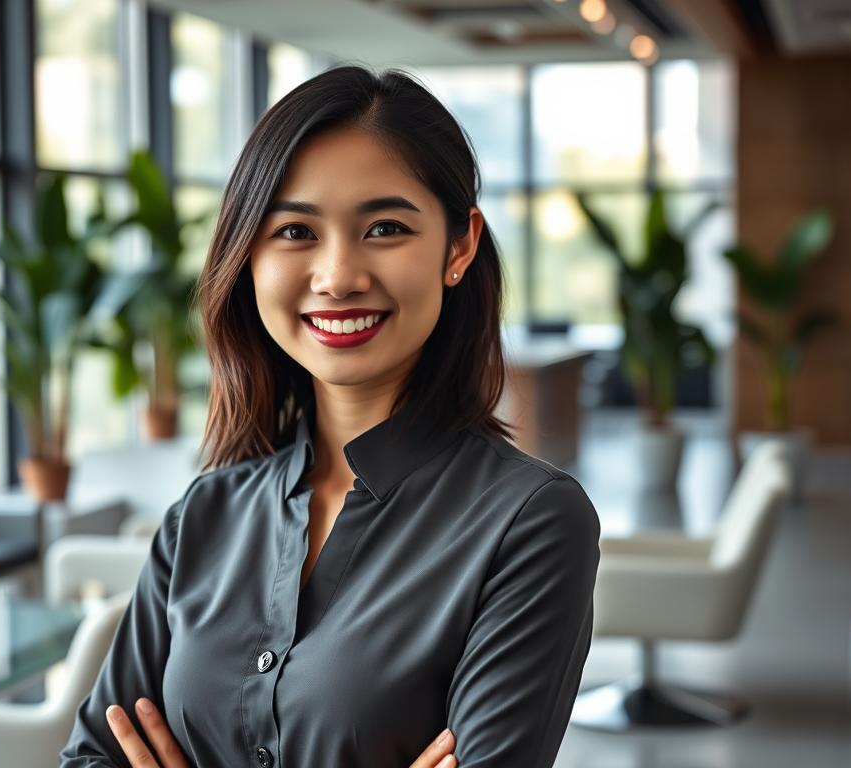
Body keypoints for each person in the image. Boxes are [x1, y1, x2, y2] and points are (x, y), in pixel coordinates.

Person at [59, 63, 601, 768]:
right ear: (248, 255)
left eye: (384, 227)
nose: (339, 276)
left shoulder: (529, 523)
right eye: (294, 232)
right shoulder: (203, 516)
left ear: (459, 246)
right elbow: (90, 757)